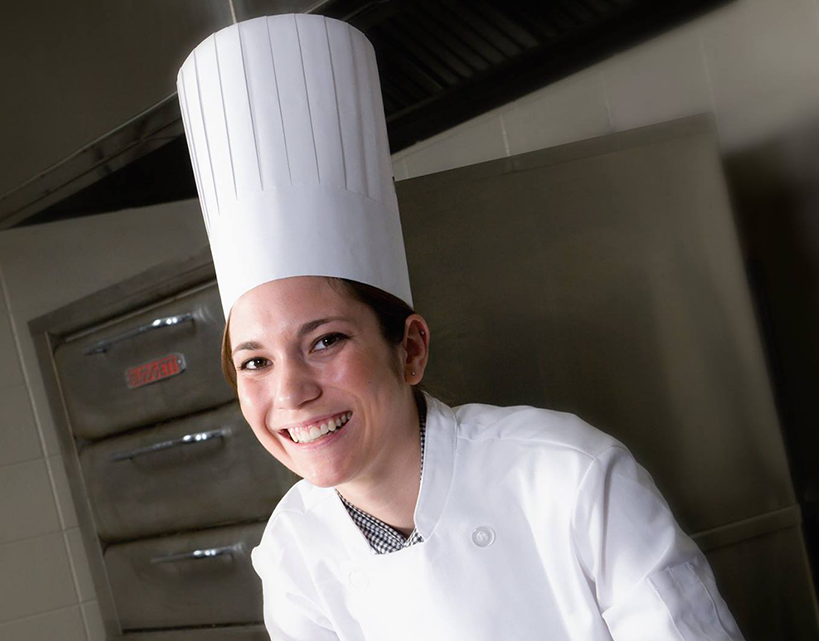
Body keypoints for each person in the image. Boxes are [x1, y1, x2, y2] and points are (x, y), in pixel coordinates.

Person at [177, 13, 744, 640]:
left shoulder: (566, 475)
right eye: (255, 361)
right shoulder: (292, 553)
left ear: (411, 348)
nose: (290, 394)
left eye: (325, 340)